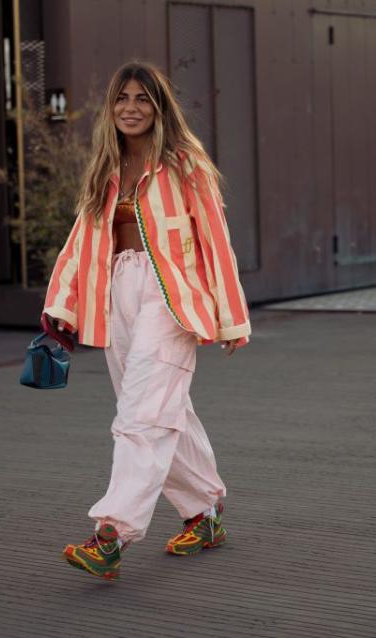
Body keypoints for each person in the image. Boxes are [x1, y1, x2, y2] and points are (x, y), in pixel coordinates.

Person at [42, 61, 251, 581]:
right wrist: (60, 306)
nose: (131, 108)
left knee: (141, 413)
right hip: (119, 294)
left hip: (171, 298)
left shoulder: (186, 166)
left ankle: (112, 533)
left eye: (143, 99)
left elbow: (216, 245)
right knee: (161, 409)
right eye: (122, 98)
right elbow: (81, 243)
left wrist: (232, 318)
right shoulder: (106, 169)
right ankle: (204, 513)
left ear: (159, 108)